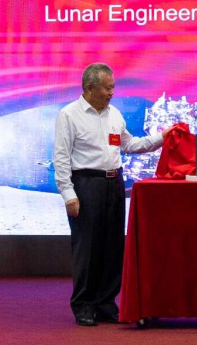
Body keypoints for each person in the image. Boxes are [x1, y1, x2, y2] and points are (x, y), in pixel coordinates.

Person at [54, 63, 169, 326]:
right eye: (107, 88)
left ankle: (106, 302)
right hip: (86, 184)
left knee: (113, 246)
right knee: (87, 248)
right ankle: (84, 304)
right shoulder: (68, 115)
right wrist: (68, 194)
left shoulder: (114, 114)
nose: (111, 93)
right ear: (89, 88)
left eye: (113, 87)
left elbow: (131, 145)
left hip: (114, 183)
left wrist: (163, 137)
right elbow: (61, 158)